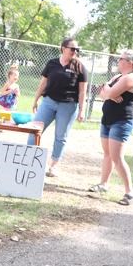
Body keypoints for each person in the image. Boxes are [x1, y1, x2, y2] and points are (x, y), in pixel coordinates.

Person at [88, 49, 133, 205]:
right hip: (107, 120)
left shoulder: (130, 78)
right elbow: (103, 92)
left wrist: (110, 92)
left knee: (117, 157)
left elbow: (109, 92)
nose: (118, 60)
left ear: (130, 63)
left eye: (121, 58)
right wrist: (109, 93)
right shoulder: (118, 76)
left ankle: (130, 192)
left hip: (121, 121)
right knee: (107, 154)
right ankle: (103, 184)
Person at [29, 38, 87, 177]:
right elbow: (43, 84)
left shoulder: (80, 67)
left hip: (68, 106)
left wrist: (81, 110)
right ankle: (29, 159)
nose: (75, 52)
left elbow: (82, 91)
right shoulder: (52, 63)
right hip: (49, 102)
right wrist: (36, 99)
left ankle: (53, 166)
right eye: (72, 49)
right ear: (63, 48)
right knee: (34, 130)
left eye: (77, 50)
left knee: (61, 137)